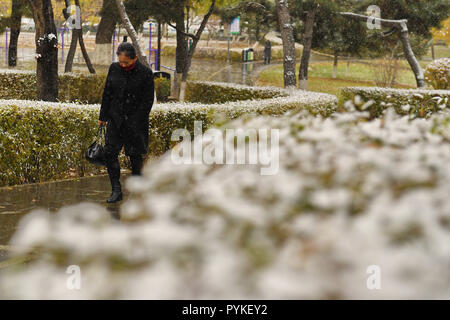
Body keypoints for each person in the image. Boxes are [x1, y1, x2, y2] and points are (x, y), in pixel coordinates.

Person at [98, 42, 155, 203]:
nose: (123, 65)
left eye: (126, 62)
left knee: (135, 158)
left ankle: (137, 192)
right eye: (121, 61)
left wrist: (135, 121)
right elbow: (107, 93)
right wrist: (103, 116)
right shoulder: (114, 68)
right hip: (115, 120)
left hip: (136, 123)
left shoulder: (145, 73)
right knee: (110, 154)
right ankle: (116, 190)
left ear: (135, 58)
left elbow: (147, 101)